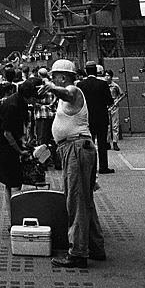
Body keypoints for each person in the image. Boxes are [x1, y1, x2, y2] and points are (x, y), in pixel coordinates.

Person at [41, 59, 106, 268]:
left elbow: (66, 93)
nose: (52, 79)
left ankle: (77, 252)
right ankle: (95, 247)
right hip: (76, 148)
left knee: (76, 200)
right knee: (85, 200)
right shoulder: (65, 94)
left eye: (54, 76)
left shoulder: (73, 90)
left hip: (76, 149)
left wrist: (51, 87)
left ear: (63, 76)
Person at [0, 77, 41, 221]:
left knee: (9, 182)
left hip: (4, 144)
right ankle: (16, 218)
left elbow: (18, 130)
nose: (36, 101)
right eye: (35, 98)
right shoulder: (13, 105)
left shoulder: (19, 102)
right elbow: (7, 133)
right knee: (15, 183)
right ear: (29, 95)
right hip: (5, 146)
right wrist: (20, 151)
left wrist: (24, 143)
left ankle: (12, 217)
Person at [78, 61, 115, 174]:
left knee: (89, 144)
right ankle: (103, 167)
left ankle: (90, 167)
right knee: (102, 143)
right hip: (101, 118)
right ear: (96, 71)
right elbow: (109, 101)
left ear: (86, 71)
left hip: (87, 119)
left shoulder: (80, 85)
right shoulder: (103, 84)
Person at [104, 68, 123, 151]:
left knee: (115, 125)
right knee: (107, 125)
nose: (106, 77)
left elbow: (122, 95)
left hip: (114, 107)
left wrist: (116, 102)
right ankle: (107, 143)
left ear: (111, 77)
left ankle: (115, 142)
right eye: (105, 75)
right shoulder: (103, 86)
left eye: (108, 75)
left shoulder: (115, 85)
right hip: (105, 106)